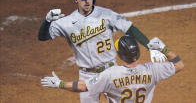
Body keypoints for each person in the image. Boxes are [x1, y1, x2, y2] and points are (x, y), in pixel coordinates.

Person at [38, 0, 166, 102]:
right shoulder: (66, 22)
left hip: (111, 71)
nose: (87, 1)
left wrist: (150, 47)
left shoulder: (106, 14)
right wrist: (47, 21)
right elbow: (43, 36)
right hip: (87, 74)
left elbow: (129, 28)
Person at [41, 36, 184, 103]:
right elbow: (179, 64)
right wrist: (163, 48)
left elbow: (84, 86)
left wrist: (59, 84)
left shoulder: (111, 74)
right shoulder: (153, 70)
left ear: (120, 55)